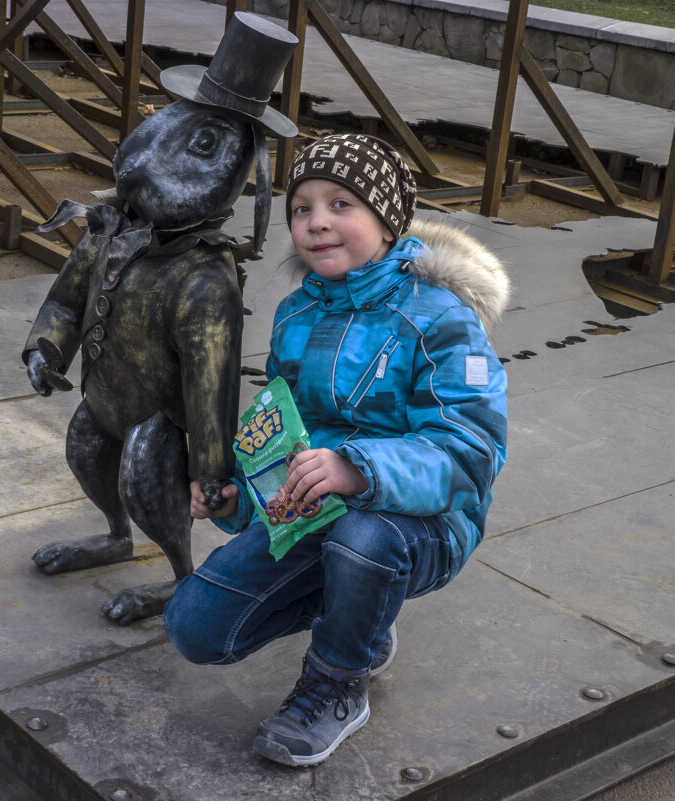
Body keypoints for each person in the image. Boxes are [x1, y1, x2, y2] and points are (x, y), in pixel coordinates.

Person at [163, 133, 510, 767]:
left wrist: (358, 468)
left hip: (423, 525)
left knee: (366, 538)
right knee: (195, 627)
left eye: (342, 203)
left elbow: (473, 452)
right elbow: (279, 431)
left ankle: (338, 681)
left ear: (386, 218)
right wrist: (240, 496)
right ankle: (365, 615)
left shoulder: (441, 319)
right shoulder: (297, 315)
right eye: (302, 207)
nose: (318, 221)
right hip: (319, 511)